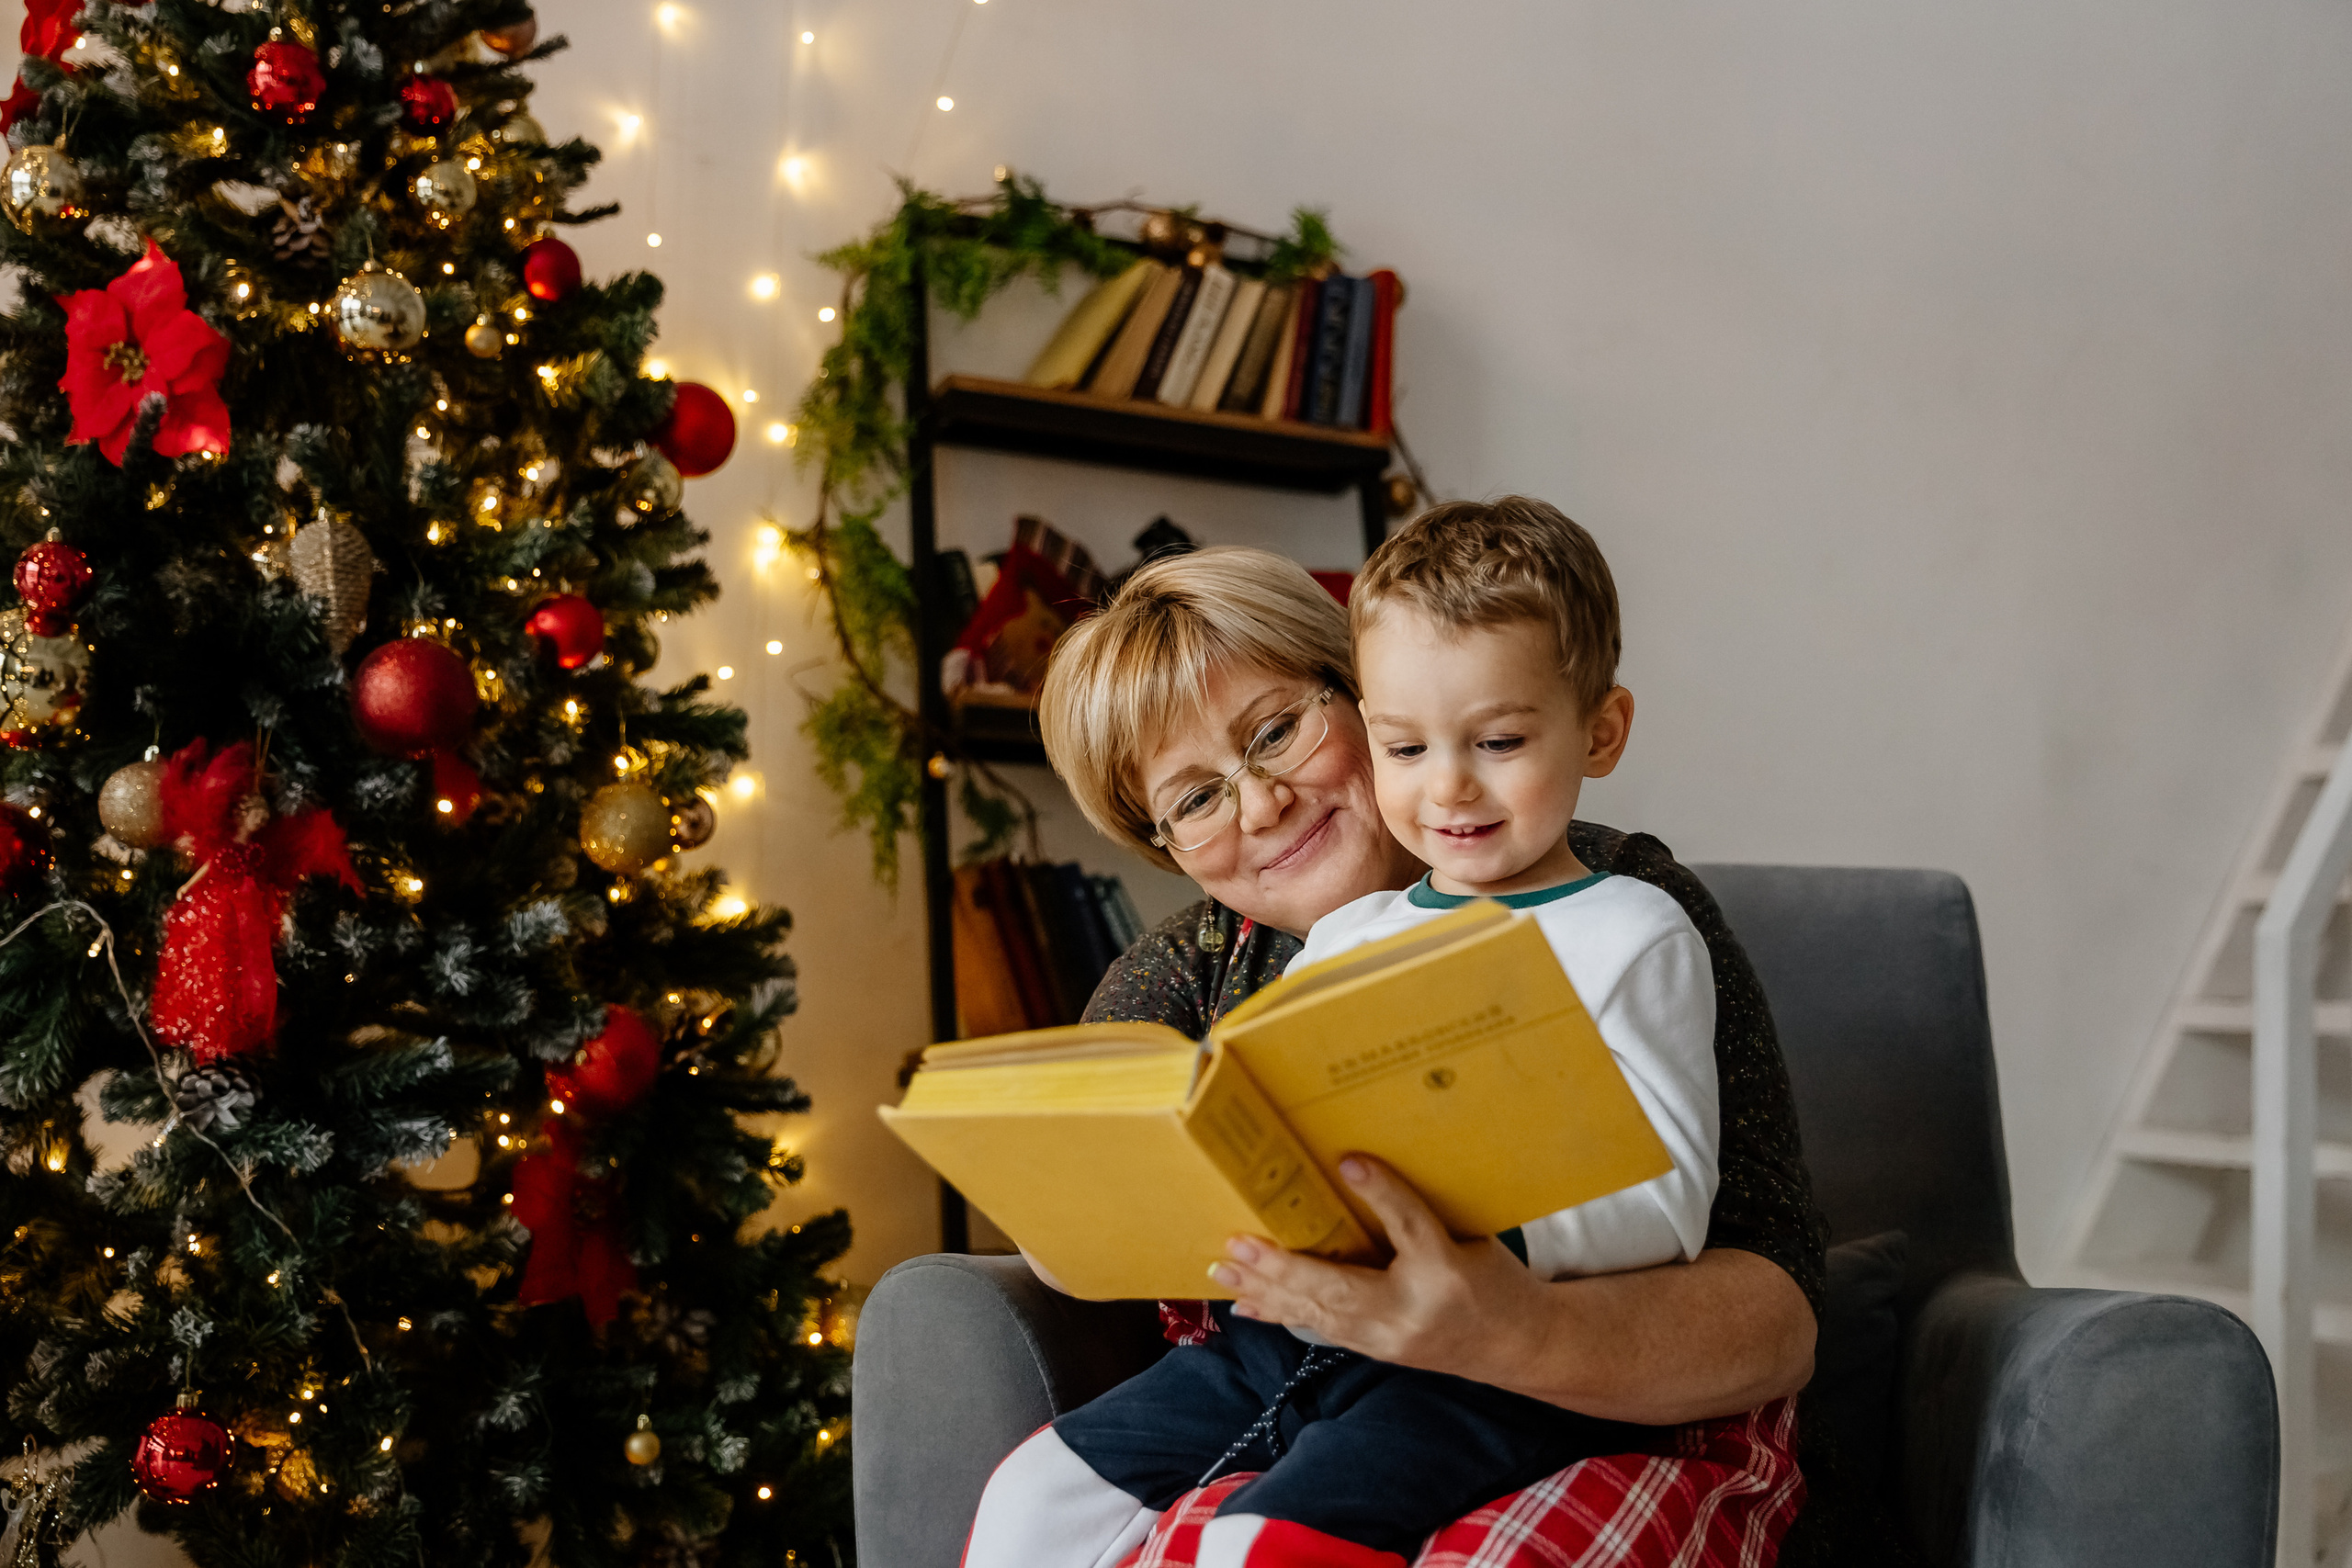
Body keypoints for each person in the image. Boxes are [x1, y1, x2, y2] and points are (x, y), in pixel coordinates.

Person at [968, 535, 1824, 1568]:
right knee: (1065, 1502)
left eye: (1276, 731)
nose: (1259, 804)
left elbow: (1763, 1292)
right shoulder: (1183, 977)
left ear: (1357, 698)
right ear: (1165, 848)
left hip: (1587, 1382)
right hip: (1298, 1372)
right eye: (1193, 800)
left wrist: (1503, 1307)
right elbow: (1083, 1234)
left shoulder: (1618, 906)